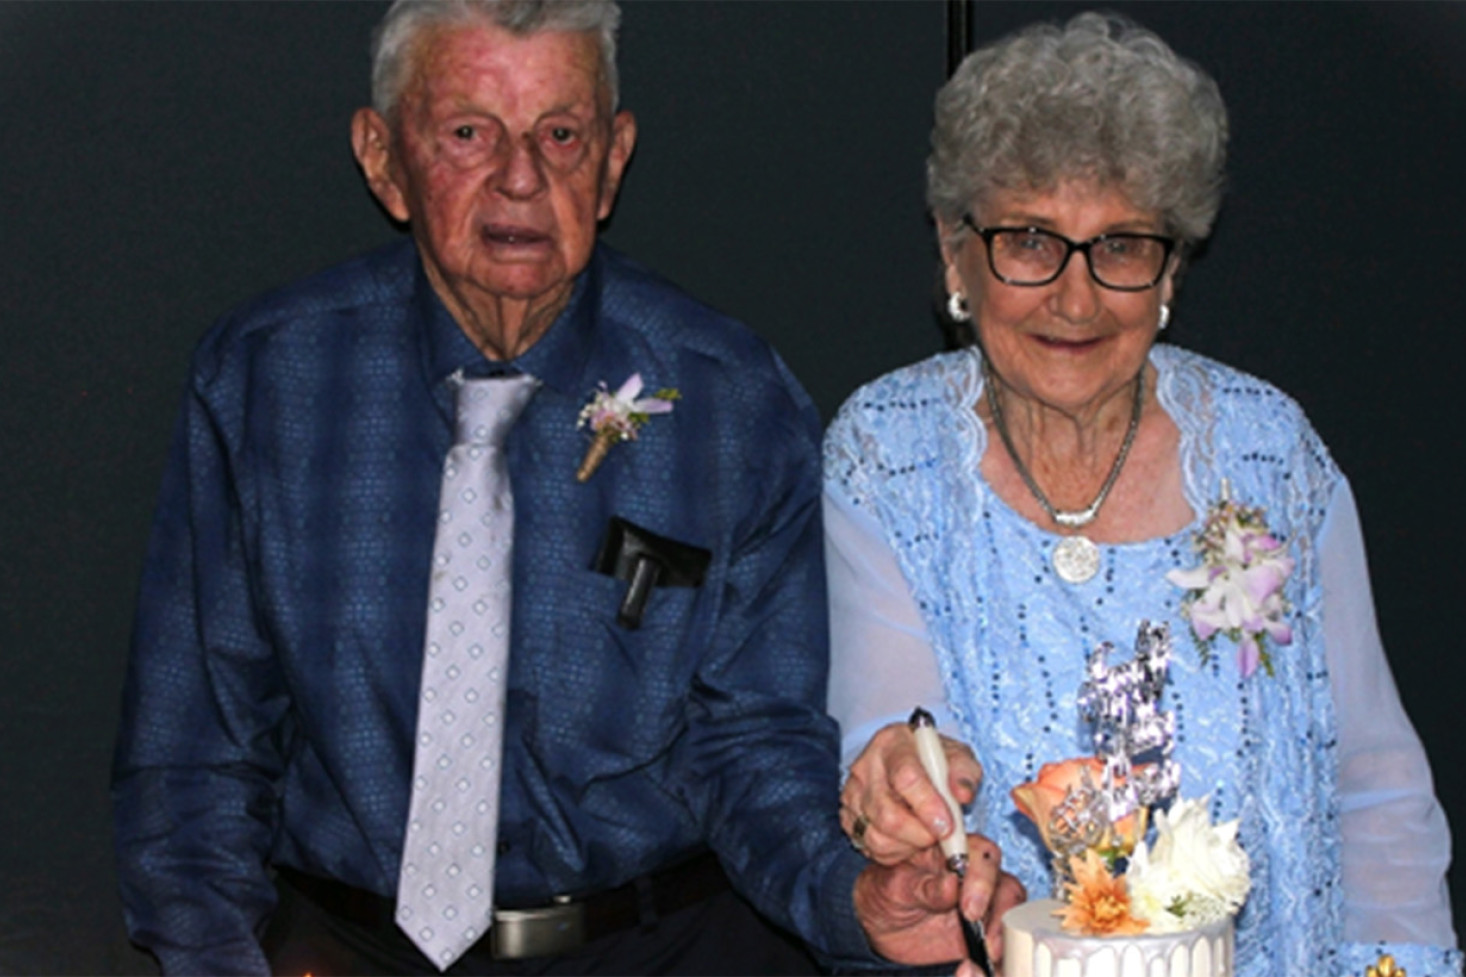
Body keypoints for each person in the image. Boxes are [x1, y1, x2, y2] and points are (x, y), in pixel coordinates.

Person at [110, 1, 1015, 974]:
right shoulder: (267, 381)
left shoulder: (726, 397)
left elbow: (752, 744)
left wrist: (852, 904)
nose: (519, 176)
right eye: (467, 133)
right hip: (343, 946)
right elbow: (195, 754)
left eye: (561, 134)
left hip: (660, 947)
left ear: (613, 158)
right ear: (382, 158)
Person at [824, 12, 1461, 977]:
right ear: (957, 256)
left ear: (1171, 269)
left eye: (1121, 245)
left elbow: (1371, 782)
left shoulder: (1267, 450)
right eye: (1031, 240)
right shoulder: (888, 455)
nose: (1077, 299)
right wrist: (906, 782)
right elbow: (892, 730)